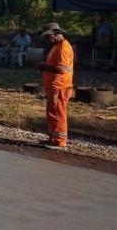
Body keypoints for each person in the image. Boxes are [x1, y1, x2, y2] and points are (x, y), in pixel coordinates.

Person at [37, 22, 74, 150]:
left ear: (56, 34)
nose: (47, 39)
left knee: (58, 113)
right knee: (53, 112)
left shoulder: (63, 48)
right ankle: (53, 138)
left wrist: (43, 66)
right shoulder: (58, 46)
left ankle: (59, 141)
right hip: (55, 86)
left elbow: (61, 69)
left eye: (48, 37)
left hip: (60, 86)